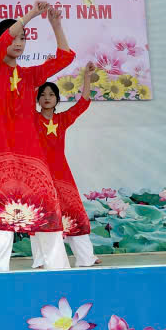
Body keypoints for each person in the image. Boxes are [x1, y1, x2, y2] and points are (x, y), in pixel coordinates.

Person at [0, 1, 74, 272]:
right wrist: (30, 15)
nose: (19, 42)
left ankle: (59, 272)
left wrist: (55, 24)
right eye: (15, 37)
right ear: (1, 42)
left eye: (24, 38)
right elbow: (3, 42)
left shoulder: (30, 76)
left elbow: (64, 58)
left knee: (47, 212)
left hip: (31, 153)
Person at [30, 62, 99, 268]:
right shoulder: (31, 119)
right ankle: (40, 260)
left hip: (62, 175)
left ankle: (86, 257)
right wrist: (40, 74)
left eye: (51, 94)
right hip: (39, 176)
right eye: (43, 94)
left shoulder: (63, 119)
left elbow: (83, 103)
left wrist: (87, 77)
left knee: (74, 213)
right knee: (39, 216)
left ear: (57, 99)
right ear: (37, 99)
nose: (47, 97)